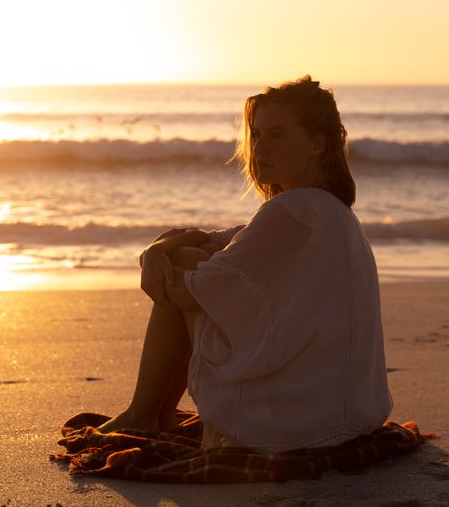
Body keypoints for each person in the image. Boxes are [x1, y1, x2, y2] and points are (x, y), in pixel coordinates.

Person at [98, 75, 394, 454]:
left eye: (277, 135)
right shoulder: (326, 210)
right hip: (349, 413)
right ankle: (155, 413)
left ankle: (144, 413)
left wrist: (161, 260)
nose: (260, 148)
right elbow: (220, 238)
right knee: (192, 259)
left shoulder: (294, 210)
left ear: (317, 145)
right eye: (256, 136)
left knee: (189, 266)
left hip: (300, 421)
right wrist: (160, 247)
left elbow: (187, 290)